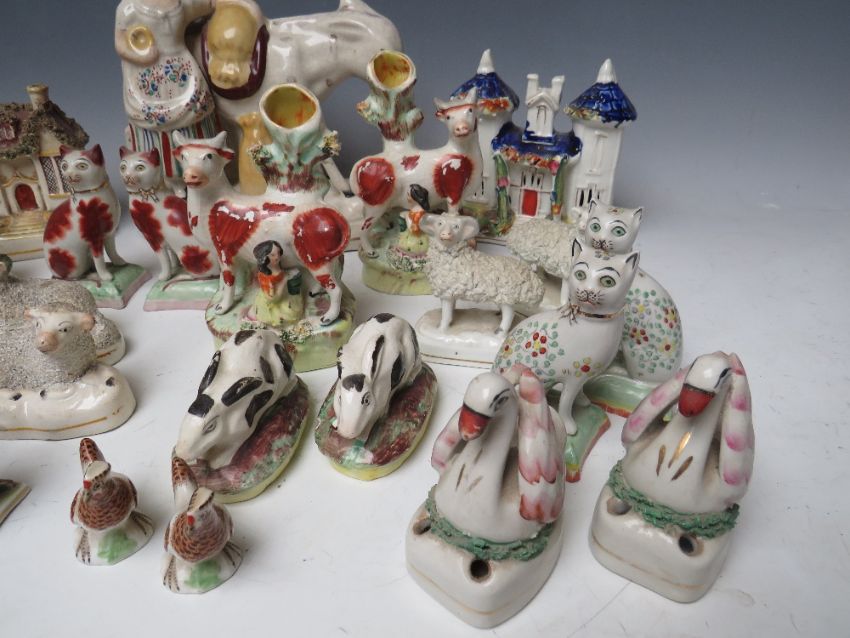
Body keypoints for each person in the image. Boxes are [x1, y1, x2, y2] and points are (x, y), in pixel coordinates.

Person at [252, 240, 302, 326]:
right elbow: (273, 300)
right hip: (274, 303)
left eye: (279, 253)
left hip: (285, 294)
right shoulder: (265, 278)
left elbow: (281, 273)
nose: (278, 257)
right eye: (273, 255)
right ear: (264, 258)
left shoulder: (276, 265)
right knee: (288, 313)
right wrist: (283, 282)